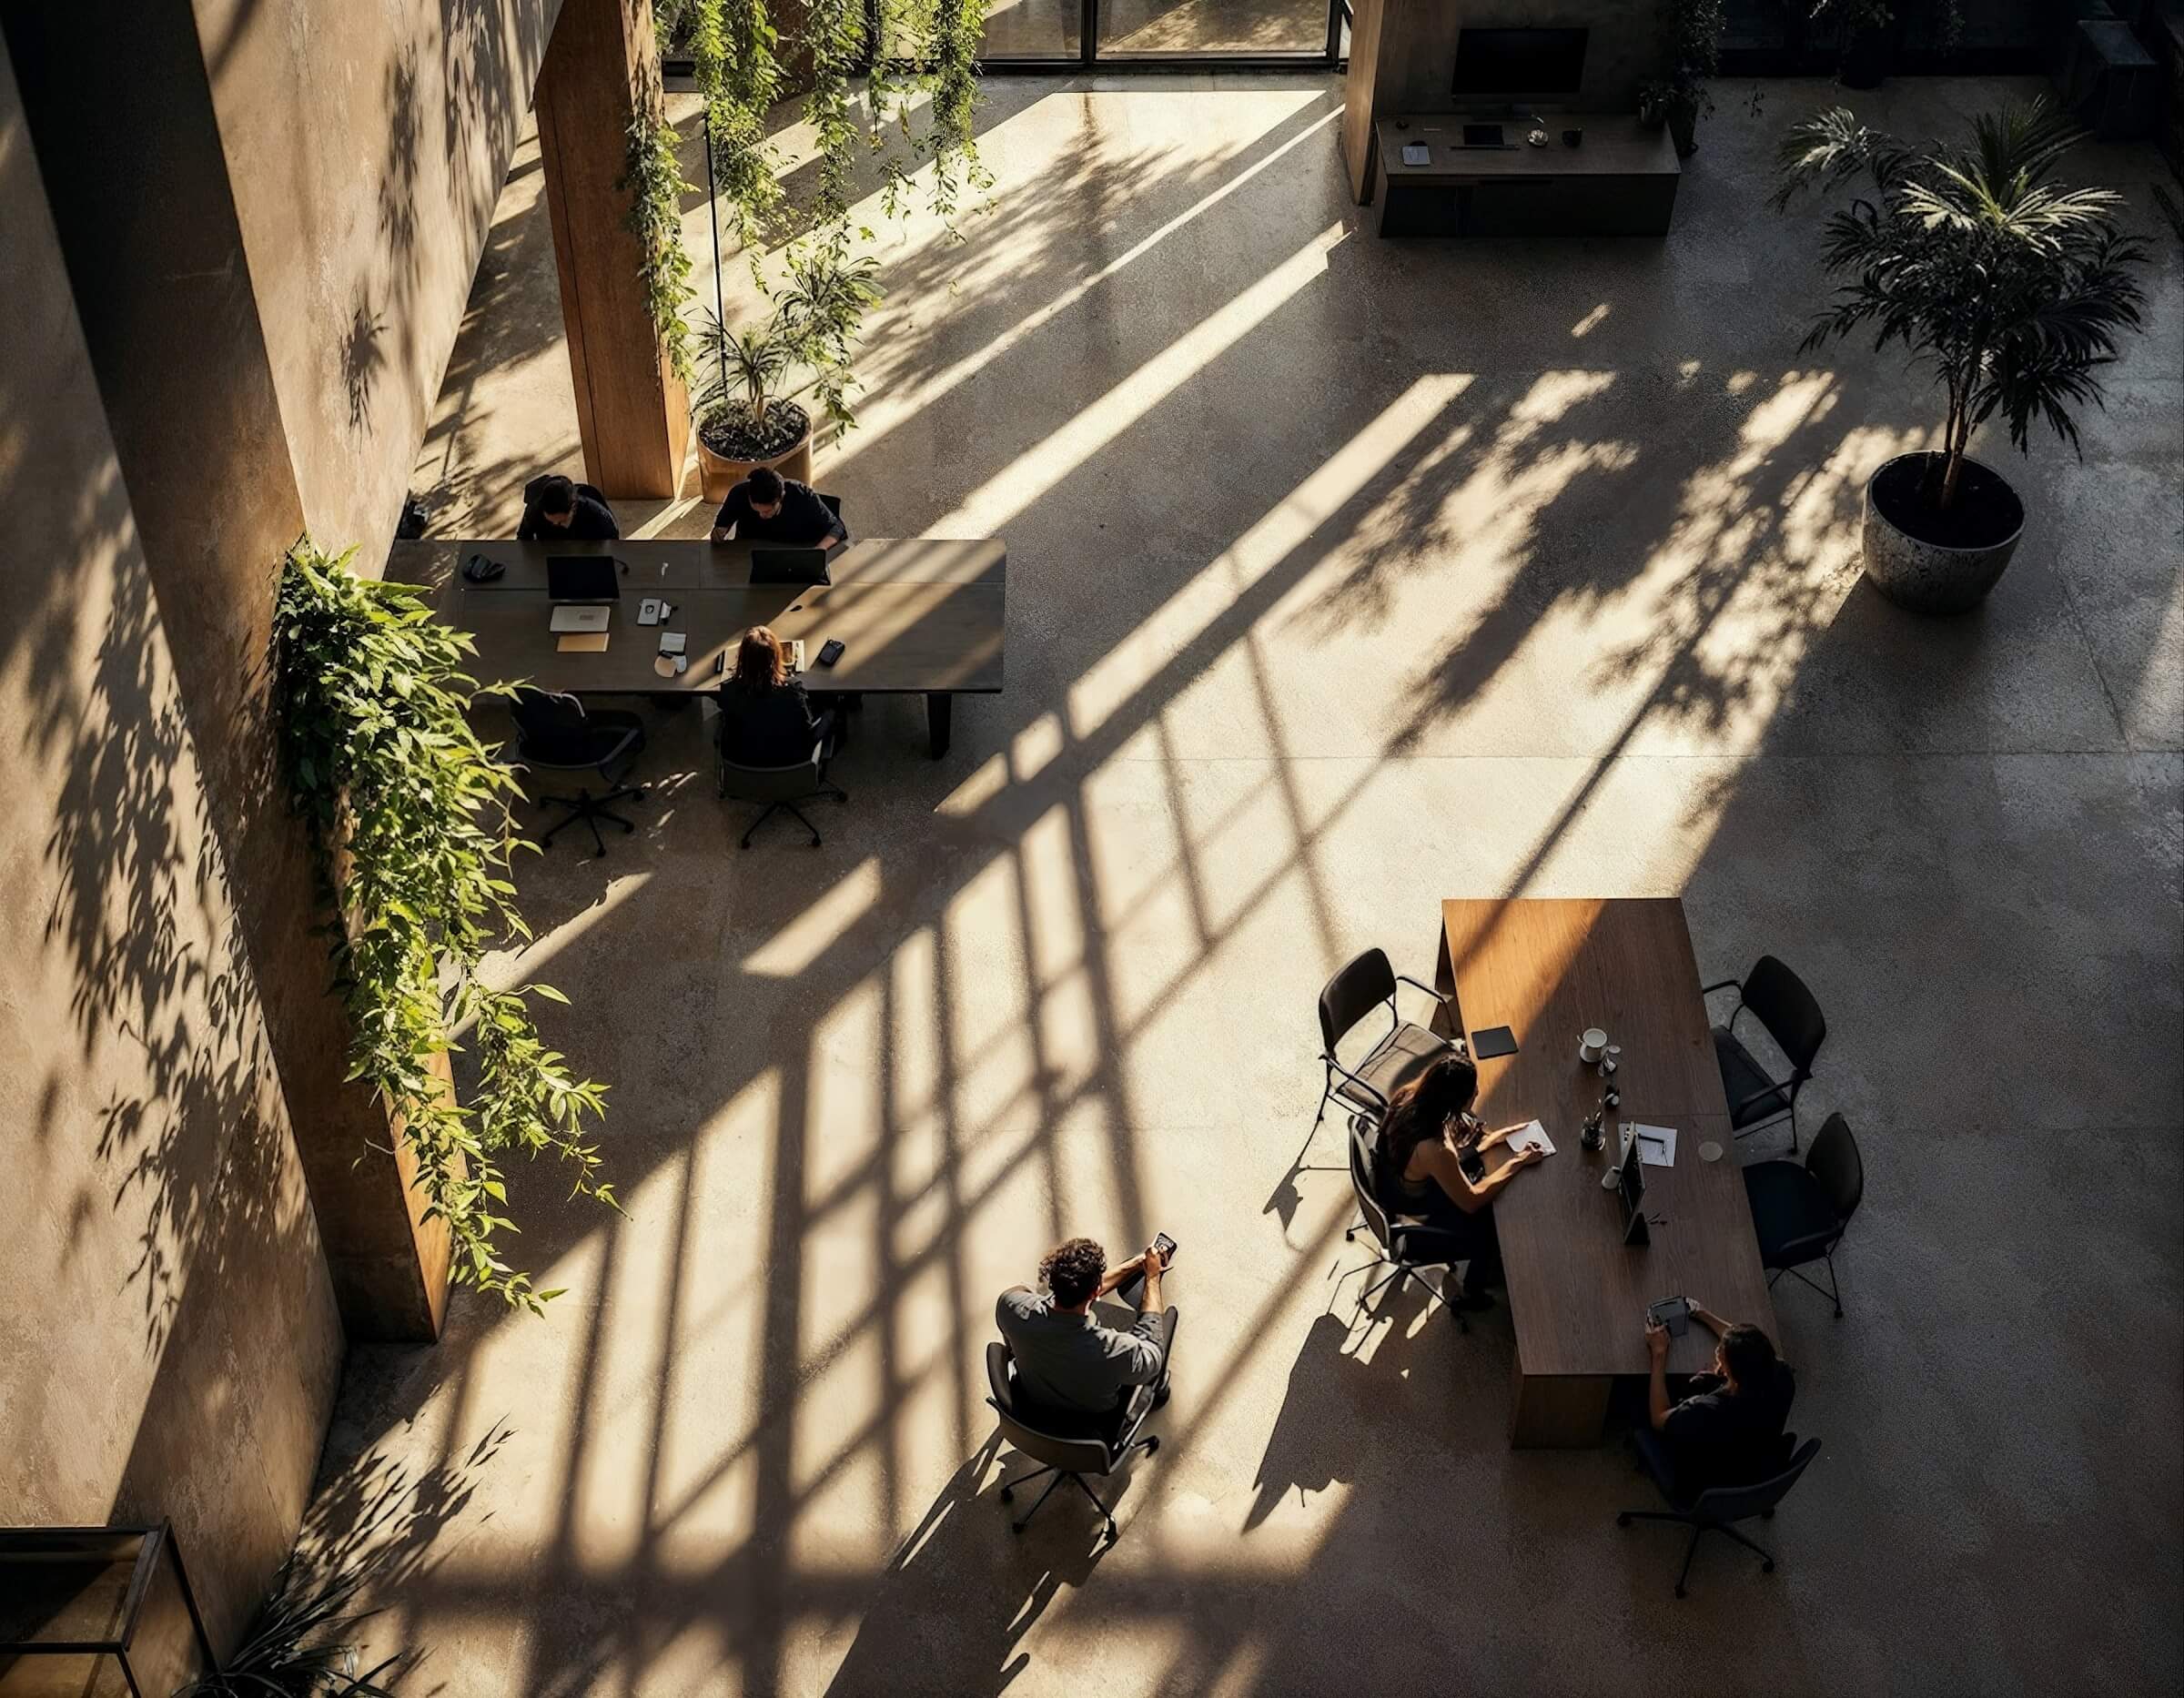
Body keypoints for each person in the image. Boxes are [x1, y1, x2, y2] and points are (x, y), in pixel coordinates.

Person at [1376, 1051, 1544, 1306]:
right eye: (1471, 1090)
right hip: (1420, 1202)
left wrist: (1485, 1143)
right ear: (1453, 1101)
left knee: (1480, 1163)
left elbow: (1446, 1155)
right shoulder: (1436, 1149)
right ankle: (1471, 1293)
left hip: (1399, 1177)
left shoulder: (1409, 1095)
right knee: (1489, 1224)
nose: (1477, 1091)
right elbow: (1471, 1201)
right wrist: (1518, 1161)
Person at [996, 1235, 1174, 1423]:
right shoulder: (1112, 1351)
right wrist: (1152, 1277)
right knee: (1164, 1330)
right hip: (1091, 1422)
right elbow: (1152, 1356)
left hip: (1035, 1408)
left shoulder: (1011, 1308)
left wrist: (1138, 1264)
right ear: (1095, 1292)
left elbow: (1025, 1295)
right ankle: (1159, 1393)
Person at [1637, 1303, 1796, 1500]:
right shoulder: (1783, 1376)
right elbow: (1749, 1348)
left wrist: (1659, 1354)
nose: (1718, 1351)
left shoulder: (1706, 1411)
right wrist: (1702, 1314)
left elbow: (1658, 1418)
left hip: (1704, 1484)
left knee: (1636, 1400)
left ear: (1733, 1376)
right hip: (1753, 1465)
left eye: (1721, 1356)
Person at [714, 626, 834, 766]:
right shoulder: (793, 691)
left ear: (742, 658)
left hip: (744, 768)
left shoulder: (729, 692)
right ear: (776, 657)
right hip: (790, 766)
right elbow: (807, 731)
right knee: (831, 709)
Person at [710, 465, 847, 547]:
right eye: (756, 509)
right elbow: (721, 525)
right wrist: (719, 532)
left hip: (794, 550)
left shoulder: (802, 495)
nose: (762, 516)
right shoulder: (739, 493)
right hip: (750, 553)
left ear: (781, 497)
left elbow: (837, 527)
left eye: (767, 511)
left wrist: (819, 550)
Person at [518, 472, 620, 541]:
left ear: (573, 507)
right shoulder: (534, 511)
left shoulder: (597, 517)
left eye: (561, 522)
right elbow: (523, 541)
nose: (555, 524)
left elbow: (613, 544)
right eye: (550, 521)